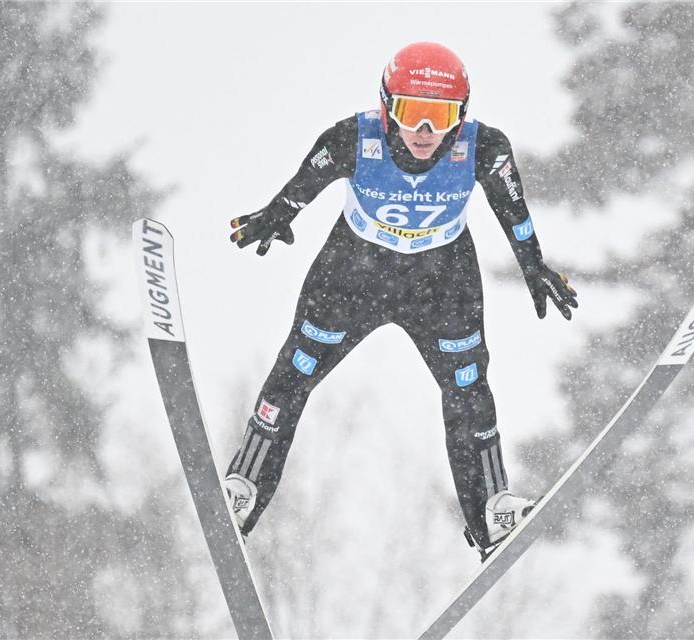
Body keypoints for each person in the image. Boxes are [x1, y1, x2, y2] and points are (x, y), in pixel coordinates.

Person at [223, 42, 578, 560]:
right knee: (294, 372)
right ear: (388, 106)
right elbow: (304, 185)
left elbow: (513, 210)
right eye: (413, 114)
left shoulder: (485, 148)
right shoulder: (353, 136)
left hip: (442, 282)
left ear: (463, 115)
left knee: (468, 386)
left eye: (441, 116)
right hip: (352, 275)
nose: (425, 132)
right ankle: (244, 489)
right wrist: (278, 215)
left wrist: (533, 265)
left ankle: (491, 513)